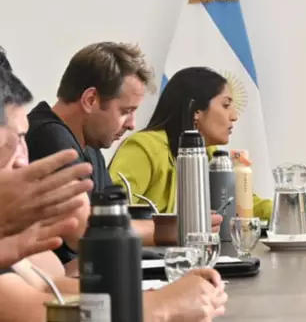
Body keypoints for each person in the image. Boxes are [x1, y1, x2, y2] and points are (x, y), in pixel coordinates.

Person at [0, 66, 228, 321]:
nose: (23, 159)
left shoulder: (90, 147)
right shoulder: (52, 135)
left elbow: (46, 286)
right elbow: (36, 312)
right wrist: (162, 305)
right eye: (15, 140)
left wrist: (157, 296)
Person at [23, 43, 221, 271]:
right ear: (90, 99)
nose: (132, 124)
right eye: (125, 111)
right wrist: (174, 230)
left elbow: (114, 221)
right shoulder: (50, 137)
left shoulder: (90, 147)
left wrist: (175, 227)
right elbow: (81, 231)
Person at [109, 67, 306, 231]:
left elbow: (248, 205)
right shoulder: (143, 148)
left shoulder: (210, 156)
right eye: (226, 105)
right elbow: (112, 218)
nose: (234, 116)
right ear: (196, 110)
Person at [0, 66, 93, 270]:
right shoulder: (51, 134)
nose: (22, 160)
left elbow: (51, 280)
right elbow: (85, 232)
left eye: (23, 138)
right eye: (125, 111)